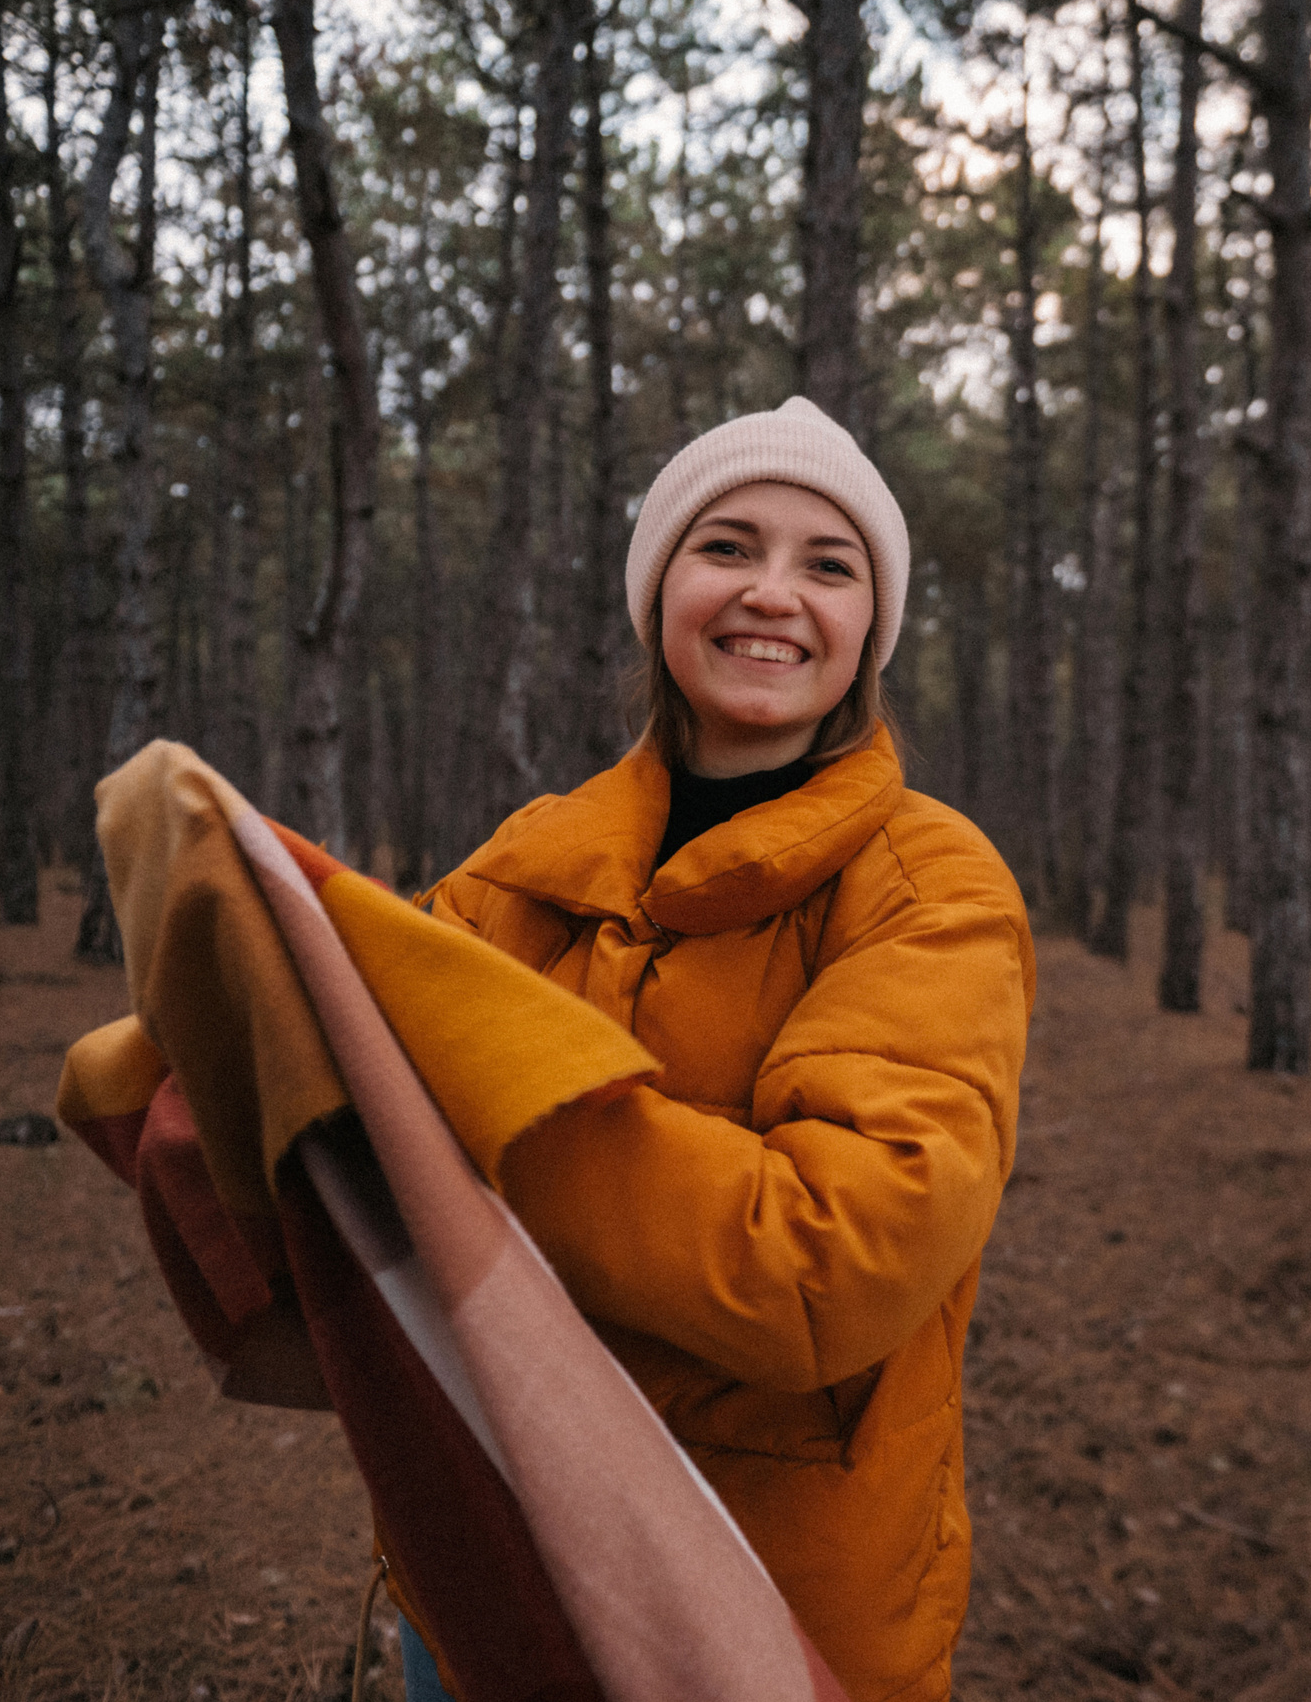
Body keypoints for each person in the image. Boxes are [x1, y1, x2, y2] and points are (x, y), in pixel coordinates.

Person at [402, 396, 1036, 1702]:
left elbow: (830, 1257)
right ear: (660, 593)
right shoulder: (526, 866)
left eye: (829, 564)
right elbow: (335, 1051)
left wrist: (486, 1113)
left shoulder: (930, 885)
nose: (772, 593)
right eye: (727, 546)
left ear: (869, 628)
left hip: (764, 1616)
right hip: (487, 1559)